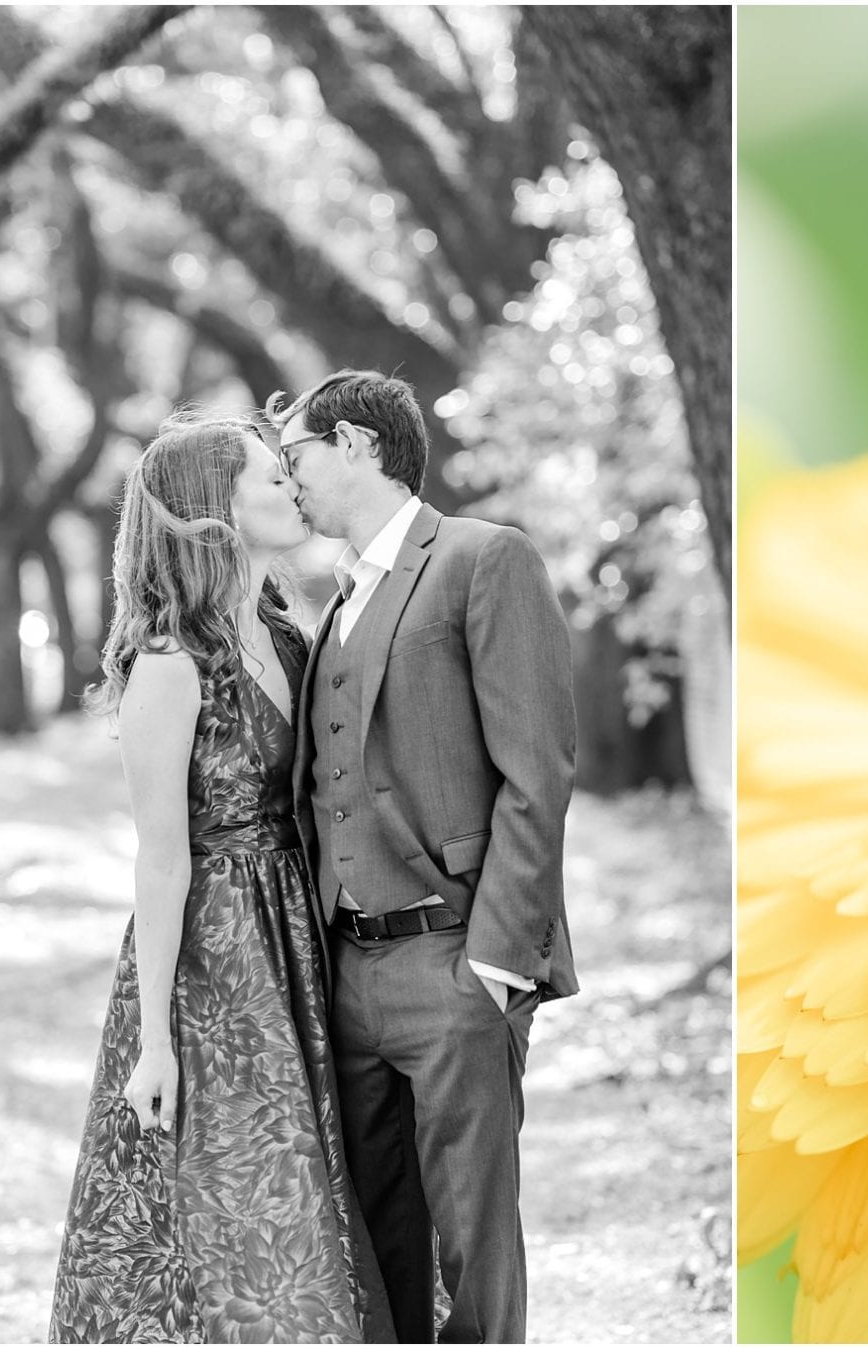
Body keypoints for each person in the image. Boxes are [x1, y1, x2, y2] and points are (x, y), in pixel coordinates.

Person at [49, 414, 404, 1344]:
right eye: (269, 477)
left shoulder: (288, 633)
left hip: (299, 931)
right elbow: (161, 859)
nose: (292, 487)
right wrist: (156, 1040)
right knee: (250, 1187)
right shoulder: (171, 666)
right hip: (217, 958)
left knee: (323, 1175)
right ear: (218, 508)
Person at [270, 370, 577, 1344]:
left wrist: (493, 961)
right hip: (350, 971)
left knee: (473, 1245)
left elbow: (538, 772)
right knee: (378, 1238)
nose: (291, 481)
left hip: (455, 963)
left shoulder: (485, 559)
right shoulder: (341, 596)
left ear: (355, 442)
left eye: (297, 457)